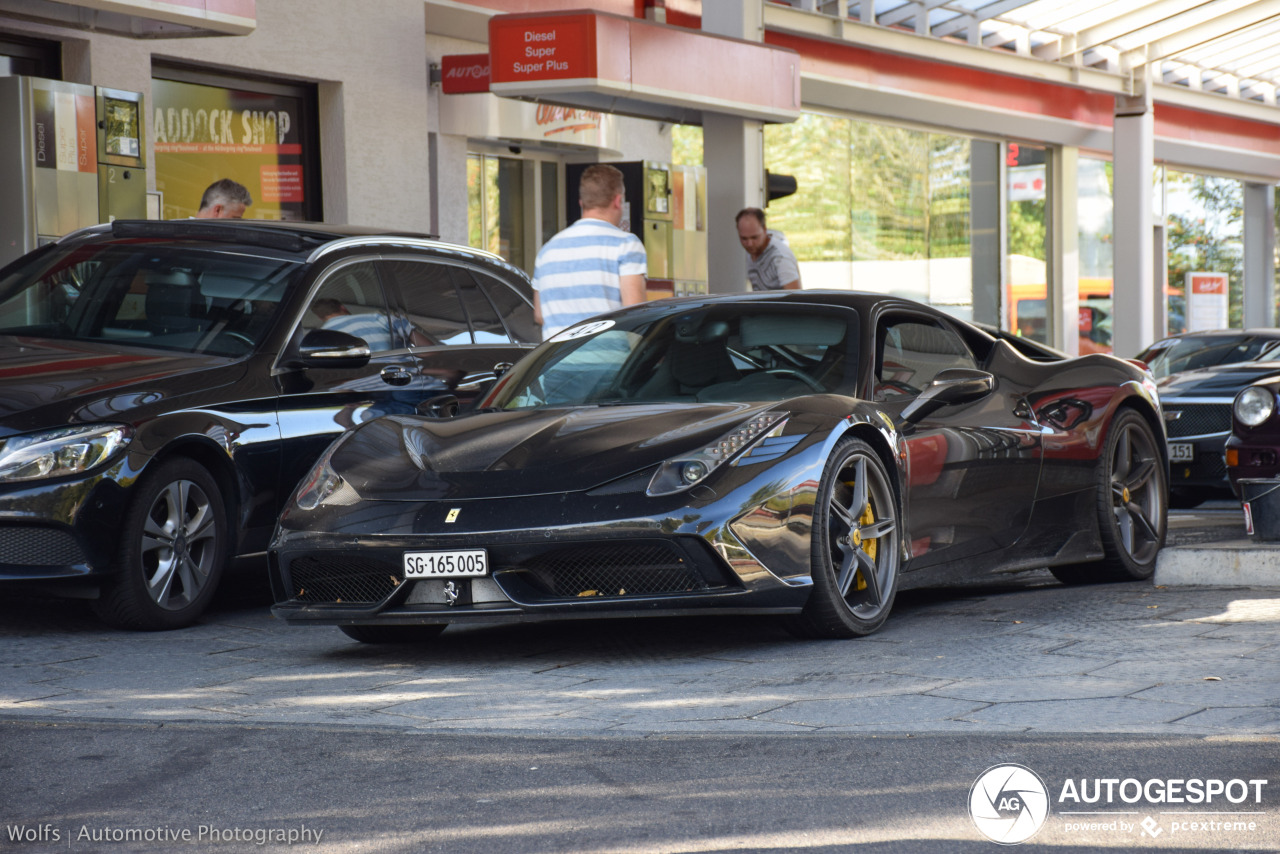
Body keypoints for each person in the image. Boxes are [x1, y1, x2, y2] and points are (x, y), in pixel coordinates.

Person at [532, 164, 647, 340]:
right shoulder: (626, 245)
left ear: (582, 203)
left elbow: (539, 315)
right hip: (610, 364)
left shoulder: (547, 251)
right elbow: (635, 316)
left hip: (556, 364)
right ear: (617, 201)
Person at [311, 297, 416, 352]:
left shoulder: (320, 339)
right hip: (402, 378)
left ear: (320, 317)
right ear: (342, 307)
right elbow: (426, 348)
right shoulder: (378, 318)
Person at [735, 207, 801, 291]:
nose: (749, 244)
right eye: (744, 239)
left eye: (754, 237)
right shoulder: (752, 252)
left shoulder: (780, 257)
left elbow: (794, 297)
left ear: (765, 229)